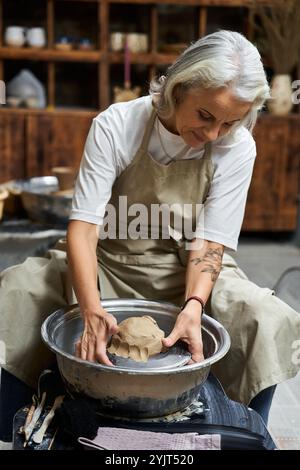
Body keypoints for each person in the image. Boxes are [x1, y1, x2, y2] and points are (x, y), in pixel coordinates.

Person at [0, 31, 300, 441]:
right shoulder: (118, 124)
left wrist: (194, 306)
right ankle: (16, 425)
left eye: (230, 122)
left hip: (187, 269)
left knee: (264, 319)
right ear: (178, 89)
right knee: (17, 291)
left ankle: (242, 435)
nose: (214, 134)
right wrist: (90, 310)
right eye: (206, 116)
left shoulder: (238, 146)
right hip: (106, 260)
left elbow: (209, 244)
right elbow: (84, 230)